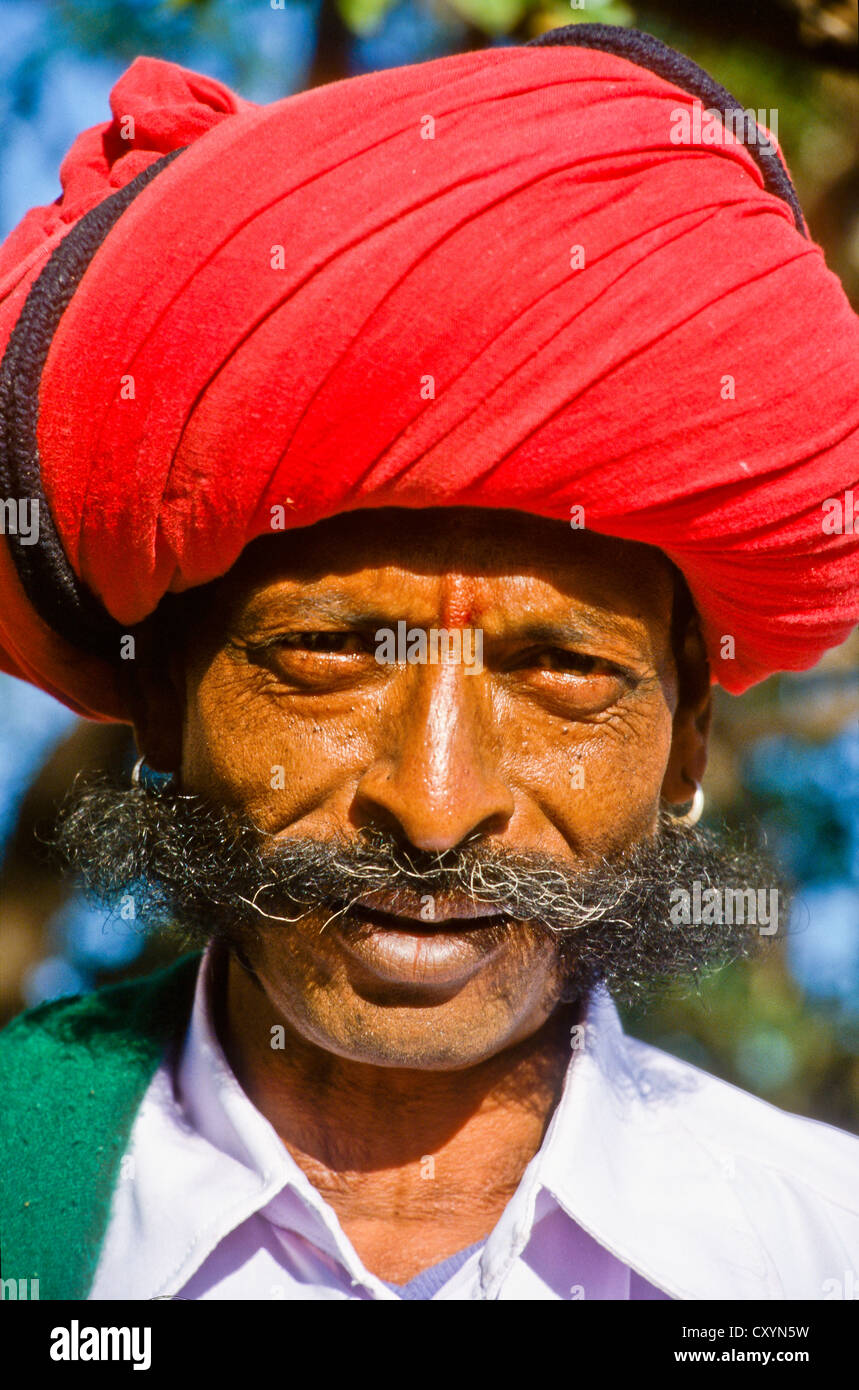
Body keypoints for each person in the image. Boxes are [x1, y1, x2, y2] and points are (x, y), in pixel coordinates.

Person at [0, 25, 857, 1302]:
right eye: (329, 655)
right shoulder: (31, 1187)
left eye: (560, 668)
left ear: (683, 732)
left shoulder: (817, 1251)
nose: (437, 802)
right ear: (163, 694)